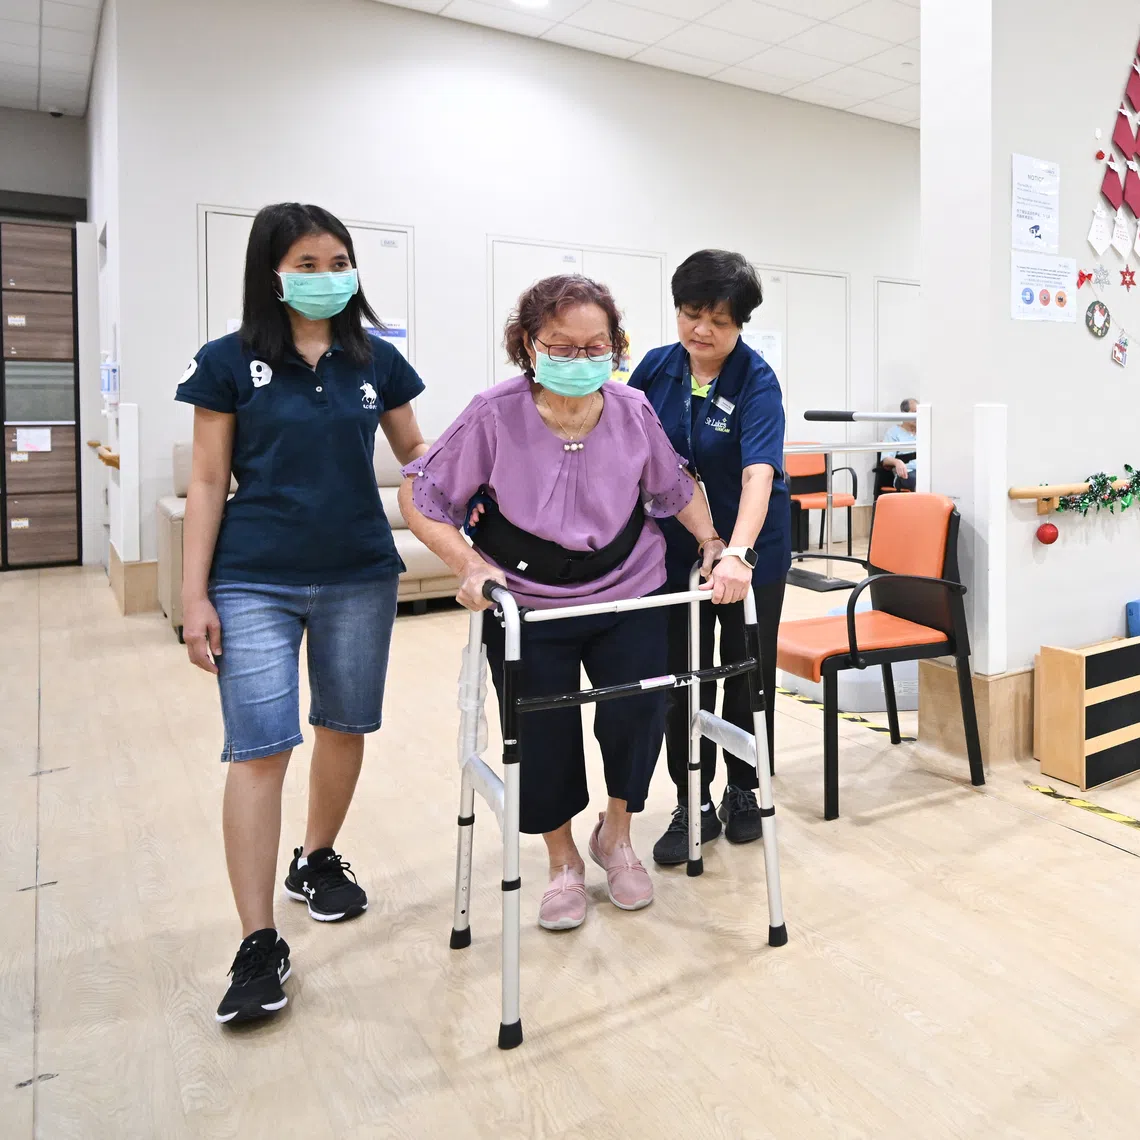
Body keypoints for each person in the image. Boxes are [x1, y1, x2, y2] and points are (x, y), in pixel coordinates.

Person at [398, 275, 734, 932]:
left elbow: (673, 485)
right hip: (528, 602)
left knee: (638, 711)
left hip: (627, 585)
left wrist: (713, 542)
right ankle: (562, 863)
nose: (580, 360)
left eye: (595, 347)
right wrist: (468, 563)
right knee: (543, 728)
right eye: (562, 345)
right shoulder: (494, 413)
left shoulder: (633, 407)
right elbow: (423, 494)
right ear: (529, 344)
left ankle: (617, 836)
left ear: (615, 348)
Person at [177, 202, 429, 1026]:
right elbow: (209, 482)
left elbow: (419, 459)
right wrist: (193, 595)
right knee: (259, 747)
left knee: (346, 725)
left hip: (359, 570)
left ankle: (316, 859)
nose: (327, 278)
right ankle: (257, 942)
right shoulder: (228, 362)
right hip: (254, 576)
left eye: (338, 262)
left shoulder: (376, 361)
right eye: (308, 263)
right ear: (272, 272)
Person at [628, 250, 791, 866]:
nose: (702, 330)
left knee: (746, 668)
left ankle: (744, 789)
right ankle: (690, 799)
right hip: (674, 547)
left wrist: (738, 554)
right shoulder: (655, 369)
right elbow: (632, 449)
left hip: (754, 546)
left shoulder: (757, 379)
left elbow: (758, 472)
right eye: (692, 314)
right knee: (681, 673)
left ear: (741, 324)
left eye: (718, 321)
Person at [881, 398, 918, 491]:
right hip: (907, 473)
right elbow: (885, 459)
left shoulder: (925, 432)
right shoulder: (893, 432)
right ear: (904, 414)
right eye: (914, 412)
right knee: (918, 481)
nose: (917, 416)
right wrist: (897, 462)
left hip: (925, 471)